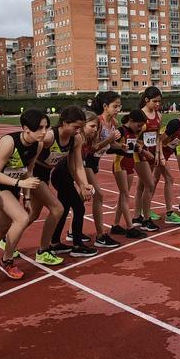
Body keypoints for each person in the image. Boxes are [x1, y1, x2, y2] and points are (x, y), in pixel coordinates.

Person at [0, 109, 49, 280]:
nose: (44, 132)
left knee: (3, 226)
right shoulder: (8, 142)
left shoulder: (38, 145)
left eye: (46, 127)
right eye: (39, 128)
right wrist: (20, 184)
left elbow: (27, 171)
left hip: (13, 185)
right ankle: (7, 260)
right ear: (25, 129)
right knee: (22, 219)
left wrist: (27, 196)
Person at [75, 93, 123, 248]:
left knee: (81, 199)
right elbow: (94, 147)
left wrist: (120, 146)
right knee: (99, 195)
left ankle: (71, 231)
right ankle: (101, 235)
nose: (118, 109)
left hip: (95, 162)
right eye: (115, 106)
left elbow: (110, 145)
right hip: (86, 161)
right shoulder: (98, 122)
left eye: (119, 106)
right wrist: (109, 140)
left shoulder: (114, 122)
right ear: (105, 107)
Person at [48, 108, 97, 256]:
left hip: (66, 175)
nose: (79, 130)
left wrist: (83, 185)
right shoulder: (53, 137)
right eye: (77, 127)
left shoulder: (78, 139)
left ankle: (55, 242)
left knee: (63, 210)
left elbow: (77, 166)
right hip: (60, 175)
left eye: (81, 127)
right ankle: (76, 245)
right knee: (78, 208)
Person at [111, 110, 150, 238]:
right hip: (120, 164)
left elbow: (134, 146)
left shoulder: (134, 132)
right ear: (131, 121)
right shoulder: (121, 131)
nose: (140, 129)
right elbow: (111, 145)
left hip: (129, 164)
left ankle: (116, 225)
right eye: (138, 125)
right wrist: (119, 146)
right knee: (125, 196)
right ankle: (130, 227)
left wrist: (143, 151)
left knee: (123, 196)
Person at [132, 87, 161, 231]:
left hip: (151, 153)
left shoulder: (158, 115)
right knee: (150, 184)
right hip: (140, 154)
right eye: (155, 101)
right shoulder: (139, 115)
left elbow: (158, 137)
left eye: (159, 102)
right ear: (146, 100)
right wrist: (143, 151)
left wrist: (157, 153)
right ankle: (146, 219)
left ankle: (137, 217)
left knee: (141, 186)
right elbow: (132, 139)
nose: (157, 104)